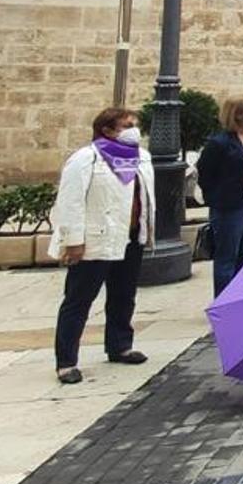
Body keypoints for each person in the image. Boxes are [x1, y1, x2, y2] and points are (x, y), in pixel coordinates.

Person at [50, 108, 155, 385]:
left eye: (134, 124)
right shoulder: (86, 159)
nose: (133, 128)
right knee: (79, 299)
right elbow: (70, 202)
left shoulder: (141, 158)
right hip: (96, 238)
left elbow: (144, 198)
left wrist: (147, 230)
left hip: (130, 236)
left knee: (123, 295)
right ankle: (66, 361)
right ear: (107, 130)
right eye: (126, 124)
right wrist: (74, 241)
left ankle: (120, 344)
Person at [196, 97, 243, 296]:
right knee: (227, 256)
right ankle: (224, 301)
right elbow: (205, 173)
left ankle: (242, 297)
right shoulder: (220, 143)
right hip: (230, 205)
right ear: (238, 115)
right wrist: (216, 198)